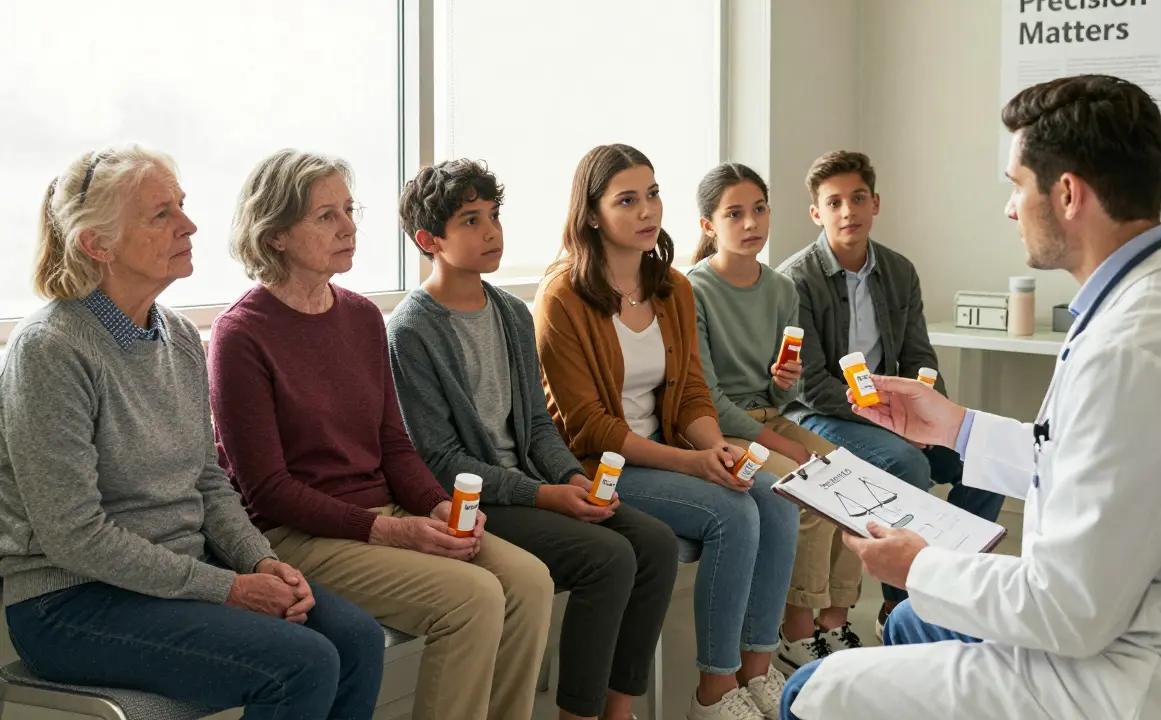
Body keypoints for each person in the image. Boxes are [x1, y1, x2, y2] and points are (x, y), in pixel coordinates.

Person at [782, 75, 1161, 720]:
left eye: (1017, 185)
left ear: (1067, 192)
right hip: (1147, 615)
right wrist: (958, 428)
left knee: (811, 692)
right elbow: (1091, 459)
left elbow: (1064, 611)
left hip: (1136, 674)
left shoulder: (1135, 349)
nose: (1011, 209)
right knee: (910, 626)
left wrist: (920, 564)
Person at [0, 146, 385, 720]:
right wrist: (227, 589)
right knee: (303, 663)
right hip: (69, 602)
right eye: (161, 215)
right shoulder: (52, 349)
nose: (190, 224)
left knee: (355, 640)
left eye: (181, 205)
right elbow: (74, 535)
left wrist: (259, 563)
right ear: (97, 244)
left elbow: (208, 480)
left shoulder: (179, 337)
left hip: (178, 577)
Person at [209, 149, 554, 720]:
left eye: (349, 209)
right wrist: (391, 531)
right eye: (326, 216)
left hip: (382, 512)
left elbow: (394, 444)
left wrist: (438, 507)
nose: (348, 227)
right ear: (275, 234)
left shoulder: (363, 316)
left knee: (529, 581)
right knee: (473, 598)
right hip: (296, 534)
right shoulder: (241, 335)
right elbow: (267, 490)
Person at [387, 158, 680, 720]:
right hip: (478, 499)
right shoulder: (411, 330)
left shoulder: (511, 313)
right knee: (608, 556)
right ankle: (581, 714)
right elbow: (440, 460)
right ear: (429, 239)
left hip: (532, 484)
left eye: (493, 215)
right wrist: (544, 494)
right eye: (471, 220)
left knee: (656, 542)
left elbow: (538, 427)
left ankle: (619, 709)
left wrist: (572, 476)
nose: (492, 231)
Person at [535, 144, 799, 720]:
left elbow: (692, 396)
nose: (647, 209)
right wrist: (691, 465)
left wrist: (716, 447)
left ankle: (758, 673)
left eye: (652, 193)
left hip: (671, 454)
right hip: (599, 467)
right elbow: (587, 426)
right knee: (733, 512)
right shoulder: (562, 297)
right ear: (592, 214)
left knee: (775, 499)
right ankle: (714, 690)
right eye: (626, 199)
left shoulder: (672, 287)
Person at [776, 150, 1004, 635]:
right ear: (816, 213)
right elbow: (812, 387)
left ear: (875, 203)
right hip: (822, 414)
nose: (847, 212)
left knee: (983, 460)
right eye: (834, 202)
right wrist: (894, 423)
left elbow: (921, 359)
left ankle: (949, 584)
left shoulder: (899, 271)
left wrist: (934, 419)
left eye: (858, 199)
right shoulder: (795, 279)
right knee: (907, 464)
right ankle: (902, 607)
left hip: (895, 413)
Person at [685, 163, 863, 676]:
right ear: (708, 226)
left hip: (765, 416)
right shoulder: (693, 291)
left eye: (758, 209)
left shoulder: (782, 290)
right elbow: (708, 398)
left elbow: (781, 394)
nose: (750, 223)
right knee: (805, 486)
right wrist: (780, 441)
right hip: (717, 426)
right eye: (734, 213)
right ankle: (796, 632)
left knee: (846, 474)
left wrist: (784, 383)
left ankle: (833, 619)